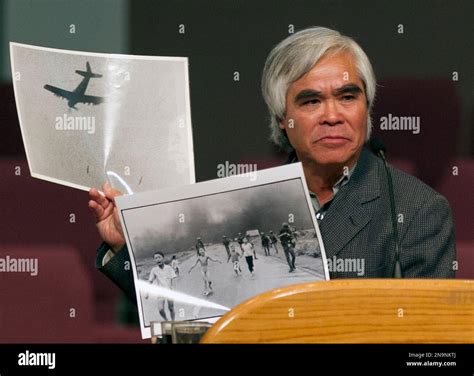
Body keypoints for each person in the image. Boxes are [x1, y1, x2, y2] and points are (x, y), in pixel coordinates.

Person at [89, 26, 456, 304]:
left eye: (347, 97)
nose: (332, 115)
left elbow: (433, 348)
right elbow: (191, 308)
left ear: (367, 107)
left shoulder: (417, 211)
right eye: (311, 101)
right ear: (283, 119)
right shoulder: (247, 200)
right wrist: (124, 250)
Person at [144, 252, 176, 321]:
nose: (158, 259)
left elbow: (173, 279)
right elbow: (150, 281)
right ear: (154, 260)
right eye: (155, 258)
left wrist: (173, 289)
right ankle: (166, 319)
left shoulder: (169, 268)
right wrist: (147, 293)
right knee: (160, 310)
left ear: (163, 258)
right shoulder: (154, 270)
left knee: (171, 308)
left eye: (159, 257)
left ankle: (173, 321)